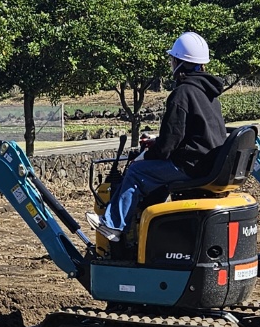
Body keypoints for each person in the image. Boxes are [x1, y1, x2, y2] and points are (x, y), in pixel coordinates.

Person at [87, 32, 230, 241]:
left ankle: (113, 225)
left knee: (136, 172)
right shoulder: (210, 94)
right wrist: (157, 142)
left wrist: (148, 154)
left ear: (180, 63)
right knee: (155, 177)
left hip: (191, 166)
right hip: (207, 163)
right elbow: (191, 134)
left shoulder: (182, 93)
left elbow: (168, 145)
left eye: (173, 60)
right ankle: (150, 226)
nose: (171, 64)